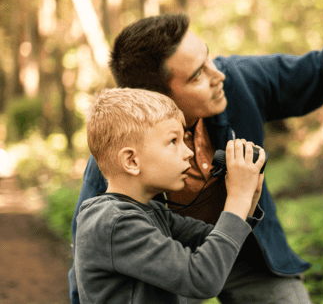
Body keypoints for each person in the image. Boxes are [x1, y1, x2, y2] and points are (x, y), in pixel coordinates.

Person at [70, 0, 323, 303]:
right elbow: (88, 258)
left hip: (241, 247)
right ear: (156, 96)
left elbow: (318, 71)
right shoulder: (117, 155)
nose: (218, 74)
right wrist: (238, 198)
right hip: (171, 265)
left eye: (208, 57)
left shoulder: (238, 80)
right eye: (197, 75)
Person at [74, 87, 266, 304]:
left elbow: (217, 243)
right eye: (174, 141)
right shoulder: (113, 222)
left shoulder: (152, 212)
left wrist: (249, 198)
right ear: (131, 161)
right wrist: (237, 199)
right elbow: (202, 278)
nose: (189, 152)